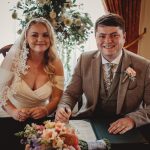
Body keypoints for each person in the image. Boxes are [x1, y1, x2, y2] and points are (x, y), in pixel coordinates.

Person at [55, 13, 150, 134]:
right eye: (102, 36)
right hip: (90, 122)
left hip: (127, 129)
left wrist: (132, 120)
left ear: (124, 37)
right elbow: (71, 94)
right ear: (95, 37)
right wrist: (63, 107)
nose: (108, 41)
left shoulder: (144, 66)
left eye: (114, 35)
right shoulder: (85, 59)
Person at [0, 17, 64, 121]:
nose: (40, 39)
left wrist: (46, 110)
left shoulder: (56, 63)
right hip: (10, 116)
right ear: (26, 36)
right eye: (34, 35)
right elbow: (0, 94)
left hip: (41, 119)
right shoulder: (14, 60)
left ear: (50, 38)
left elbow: (57, 97)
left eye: (45, 35)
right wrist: (14, 112)